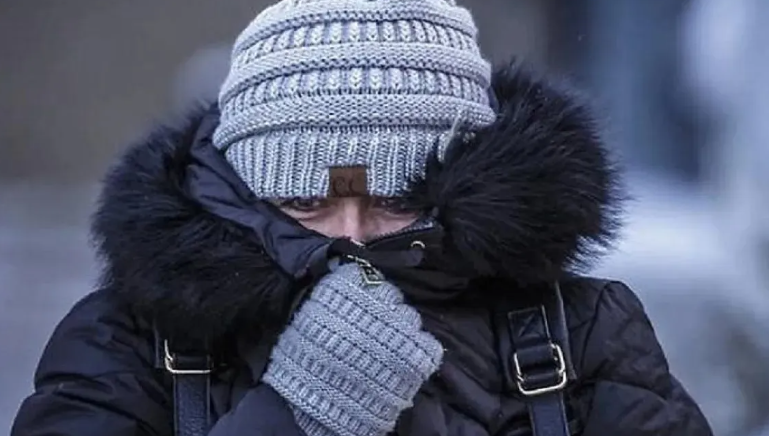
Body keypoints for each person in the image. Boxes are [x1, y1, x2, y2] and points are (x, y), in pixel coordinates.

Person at [11, 0, 713, 435]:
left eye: (394, 201)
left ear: (467, 184)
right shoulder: (133, 341)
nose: (350, 237)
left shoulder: (578, 332)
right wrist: (294, 415)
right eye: (305, 203)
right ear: (245, 191)